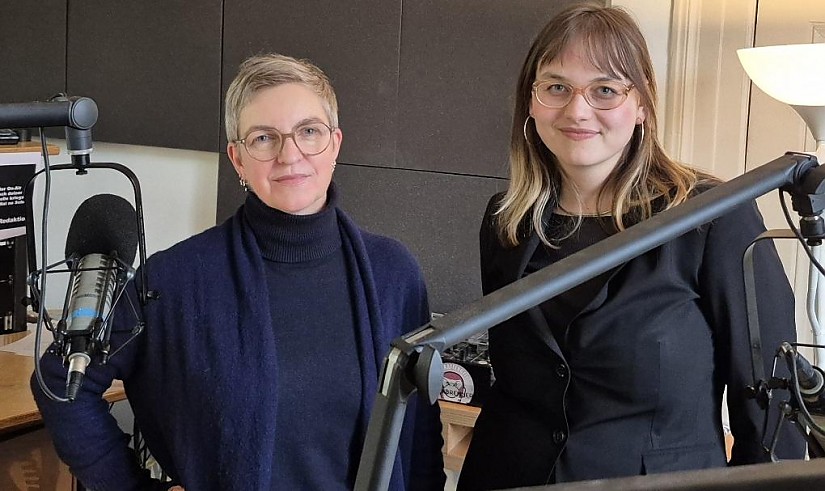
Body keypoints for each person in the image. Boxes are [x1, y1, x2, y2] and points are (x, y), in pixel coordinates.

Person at [32, 53, 445, 490]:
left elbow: (418, 434)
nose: (291, 154)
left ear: (335, 144)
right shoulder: (176, 280)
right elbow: (60, 382)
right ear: (238, 159)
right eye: (264, 138)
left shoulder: (393, 272)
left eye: (309, 131)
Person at [458, 4, 805, 490]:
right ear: (530, 103)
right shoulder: (507, 219)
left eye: (604, 90)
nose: (577, 110)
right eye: (556, 87)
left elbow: (771, 404)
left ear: (641, 104)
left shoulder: (712, 217)